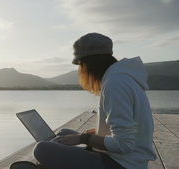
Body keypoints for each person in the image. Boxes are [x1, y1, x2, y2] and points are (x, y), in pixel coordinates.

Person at [10, 33, 156, 169]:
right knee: (63, 134)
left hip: (123, 164)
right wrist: (94, 133)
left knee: (42, 149)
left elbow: (124, 144)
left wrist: (84, 138)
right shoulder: (121, 78)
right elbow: (128, 131)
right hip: (123, 159)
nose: (81, 70)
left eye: (80, 64)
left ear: (90, 62)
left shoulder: (115, 84)